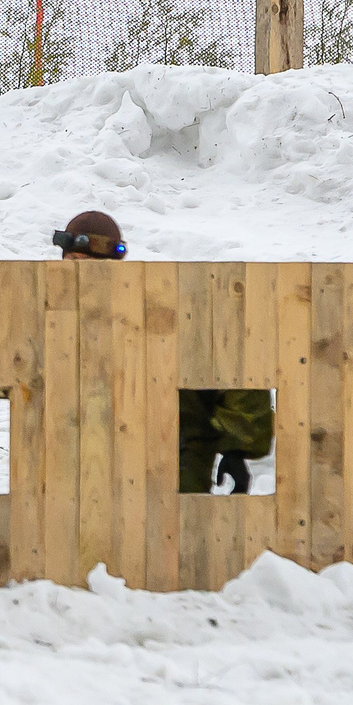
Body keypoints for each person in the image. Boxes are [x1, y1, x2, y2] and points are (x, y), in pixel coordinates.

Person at [48, 210, 273, 493]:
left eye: (91, 265)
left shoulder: (164, 310)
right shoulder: (52, 316)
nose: (81, 275)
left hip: (170, 472)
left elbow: (235, 369)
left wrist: (237, 448)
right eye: (73, 263)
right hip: (72, 475)